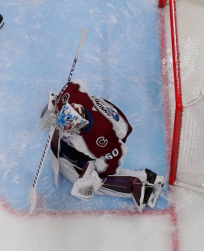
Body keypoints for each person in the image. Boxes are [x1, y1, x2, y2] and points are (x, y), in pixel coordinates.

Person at [39, 79, 165, 213]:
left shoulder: (99, 138)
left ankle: (136, 185)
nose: (64, 131)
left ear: (81, 123)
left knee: (83, 179)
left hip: (118, 131)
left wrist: (97, 178)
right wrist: (55, 107)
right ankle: (143, 177)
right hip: (103, 113)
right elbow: (79, 83)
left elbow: (118, 153)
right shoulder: (69, 96)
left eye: (70, 129)